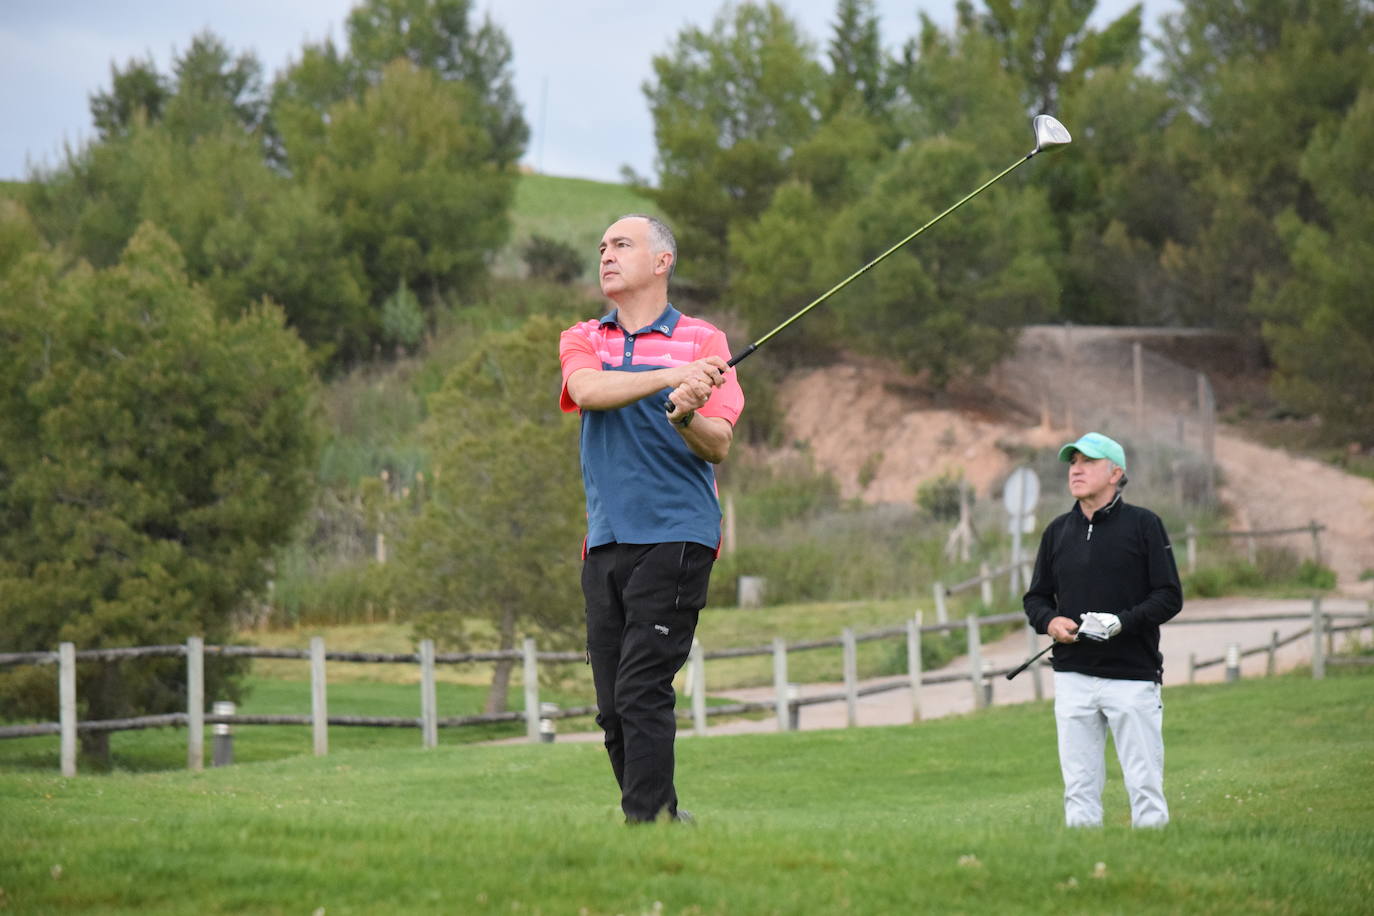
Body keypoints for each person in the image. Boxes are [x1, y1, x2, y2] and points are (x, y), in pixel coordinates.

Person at [558, 214, 744, 824]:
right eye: (602, 245)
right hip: (606, 539)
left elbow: (716, 444)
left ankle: (645, 828)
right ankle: (662, 818)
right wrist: (669, 378)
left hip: (677, 535)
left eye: (621, 244)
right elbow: (586, 391)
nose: (606, 254)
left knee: (642, 687)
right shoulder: (584, 336)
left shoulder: (706, 342)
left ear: (662, 261)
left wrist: (687, 413)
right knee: (612, 707)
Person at [1022, 432, 1183, 828]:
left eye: (1088, 462)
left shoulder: (1145, 525)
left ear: (1116, 473)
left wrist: (1122, 622)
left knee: (1143, 781)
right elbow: (1036, 598)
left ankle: (1153, 856)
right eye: (1072, 462)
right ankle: (1084, 861)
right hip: (1073, 675)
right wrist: (1050, 622)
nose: (1076, 469)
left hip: (1132, 675)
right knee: (1078, 785)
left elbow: (1168, 596)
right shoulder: (1057, 531)